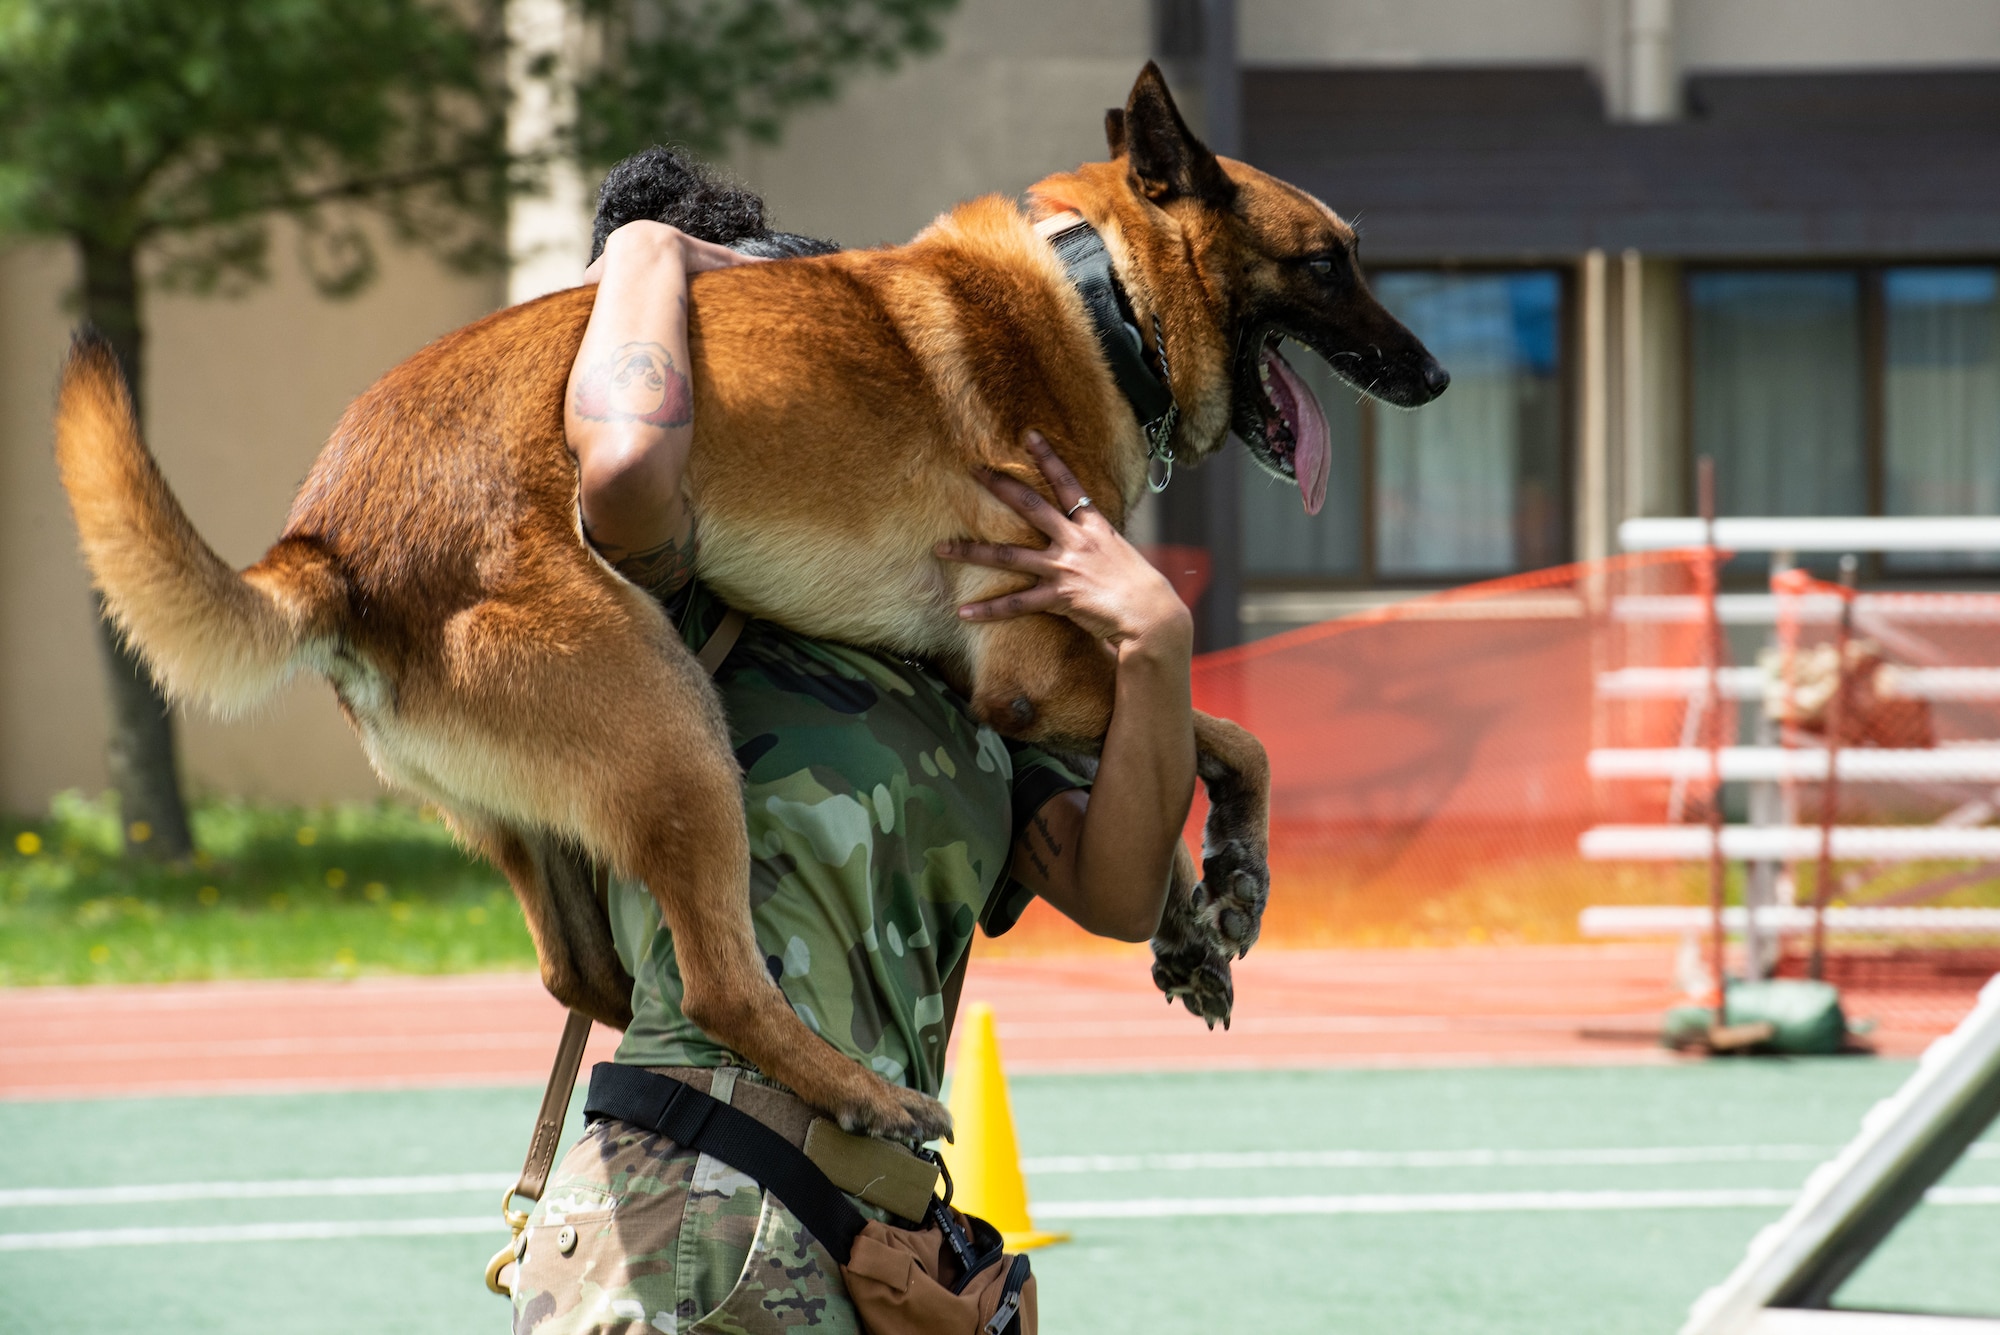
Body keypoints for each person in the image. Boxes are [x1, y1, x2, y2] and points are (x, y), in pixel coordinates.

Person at [509, 202, 1196, 1334]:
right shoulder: (676, 612)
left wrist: (1153, 644)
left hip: (856, 1240)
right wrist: (645, 248)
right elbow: (626, 473)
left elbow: (1125, 894)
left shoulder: (956, 664)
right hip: (689, 1210)